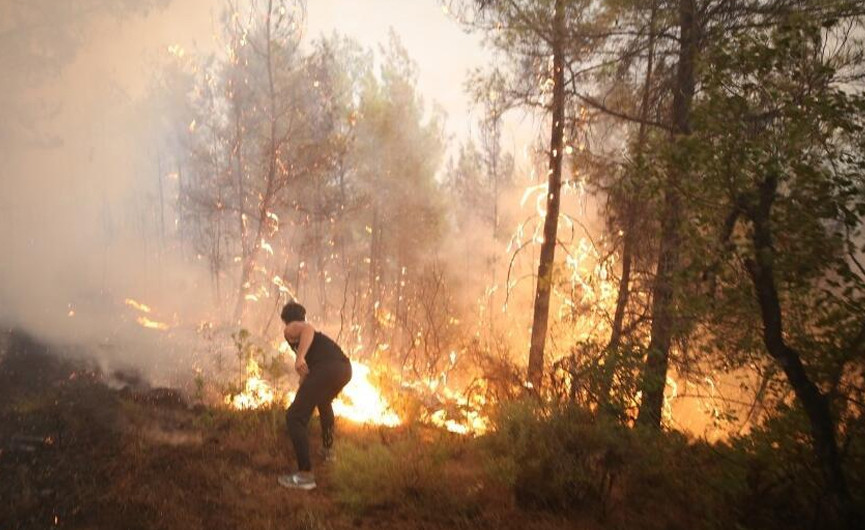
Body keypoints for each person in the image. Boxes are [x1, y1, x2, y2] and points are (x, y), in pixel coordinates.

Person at [277, 301, 352, 490]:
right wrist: (302, 387)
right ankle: (328, 451)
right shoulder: (309, 341)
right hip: (344, 369)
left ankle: (305, 476)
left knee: (294, 417)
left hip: (327, 368)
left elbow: (308, 328)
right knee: (323, 402)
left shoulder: (291, 329)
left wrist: (299, 356)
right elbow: (309, 372)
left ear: (286, 320)